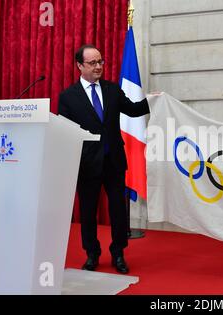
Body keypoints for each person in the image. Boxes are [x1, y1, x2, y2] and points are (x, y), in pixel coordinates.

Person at [58, 44, 150, 274]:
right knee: (88, 212)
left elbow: (133, 109)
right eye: (93, 63)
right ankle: (92, 253)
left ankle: (118, 253)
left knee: (118, 211)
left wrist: (153, 100)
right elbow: (65, 131)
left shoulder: (111, 89)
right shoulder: (68, 96)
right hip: (86, 164)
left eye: (101, 62)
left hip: (114, 161)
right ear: (80, 65)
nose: (98, 66)